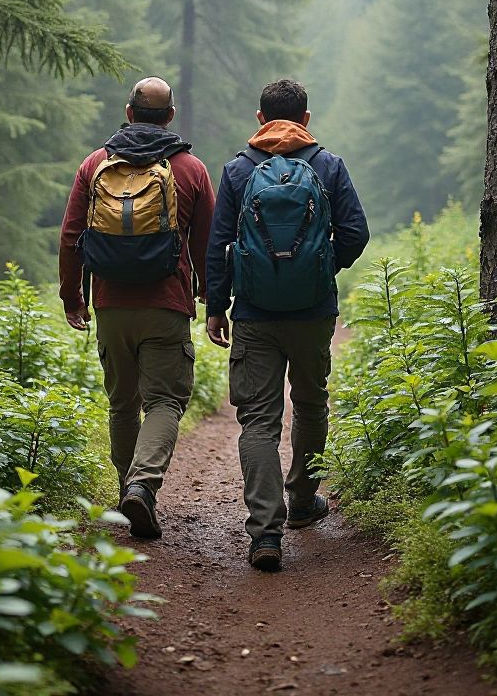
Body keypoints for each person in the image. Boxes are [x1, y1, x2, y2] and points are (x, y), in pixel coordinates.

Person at [206, 79, 369, 571]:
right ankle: (302, 501)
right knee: (311, 401)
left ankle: (265, 534)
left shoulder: (238, 170)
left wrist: (217, 305)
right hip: (313, 312)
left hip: (255, 313)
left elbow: (217, 245)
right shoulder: (328, 165)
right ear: (307, 118)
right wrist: (323, 267)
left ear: (260, 119)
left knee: (258, 420)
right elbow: (356, 233)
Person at [59, 77, 214, 540]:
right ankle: (143, 487)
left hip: (110, 305)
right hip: (166, 304)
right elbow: (206, 241)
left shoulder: (95, 164)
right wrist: (210, 296)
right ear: (169, 116)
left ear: (129, 113)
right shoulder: (189, 169)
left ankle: (128, 490)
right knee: (164, 400)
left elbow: (71, 236)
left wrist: (74, 297)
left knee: (122, 403)